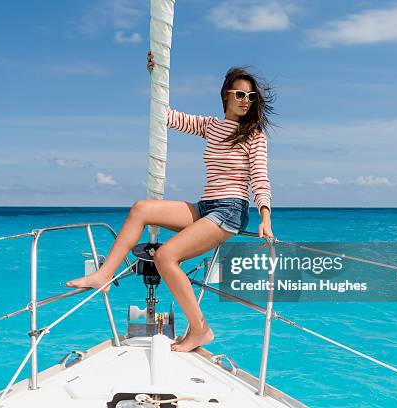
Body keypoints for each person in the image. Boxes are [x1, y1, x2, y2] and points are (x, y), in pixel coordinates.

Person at [66, 50, 275, 352]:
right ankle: (103, 275)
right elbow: (165, 115)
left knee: (165, 257)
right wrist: (156, 77)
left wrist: (265, 216)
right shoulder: (211, 127)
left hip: (230, 211)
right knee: (141, 209)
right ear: (226, 95)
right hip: (206, 207)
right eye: (240, 94)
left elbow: (260, 177)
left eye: (251, 96)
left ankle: (200, 330)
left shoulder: (254, 134)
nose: (246, 101)